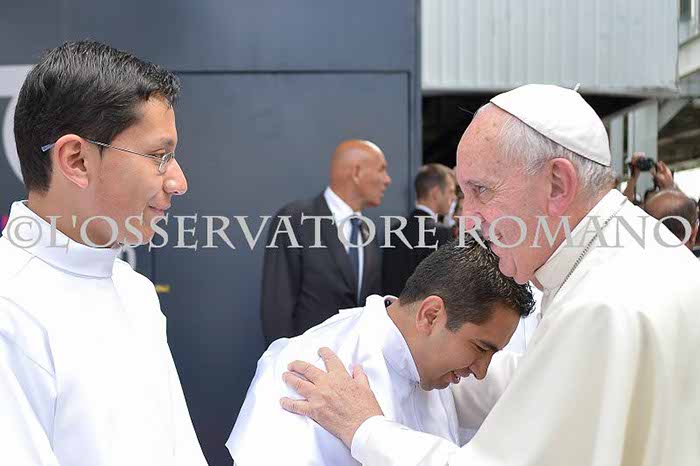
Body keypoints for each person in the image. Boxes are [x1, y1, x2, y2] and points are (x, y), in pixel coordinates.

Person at [279, 84, 700, 466]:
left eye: (481, 190)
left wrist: (363, 428)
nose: (468, 220)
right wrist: (413, 355)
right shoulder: (631, 256)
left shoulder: (601, 303)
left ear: (557, 184)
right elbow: (550, 388)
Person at [0, 41, 207, 465]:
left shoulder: (135, 291)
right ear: (76, 160)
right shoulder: (9, 310)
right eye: (159, 156)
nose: (178, 181)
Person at [228, 240, 534, 465]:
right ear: (430, 316)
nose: (481, 372)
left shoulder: (434, 366)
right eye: (480, 348)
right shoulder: (308, 370)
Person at [260, 140, 390, 345]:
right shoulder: (295, 219)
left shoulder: (367, 232)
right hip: (306, 360)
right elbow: (277, 305)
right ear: (356, 172)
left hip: (355, 362)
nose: (387, 180)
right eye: (381, 169)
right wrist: (284, 360)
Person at [382, 163, 456, 296]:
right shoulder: (440, 232)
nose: (454, 197)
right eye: (451, 191)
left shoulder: (394, 230)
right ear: (435, 193)